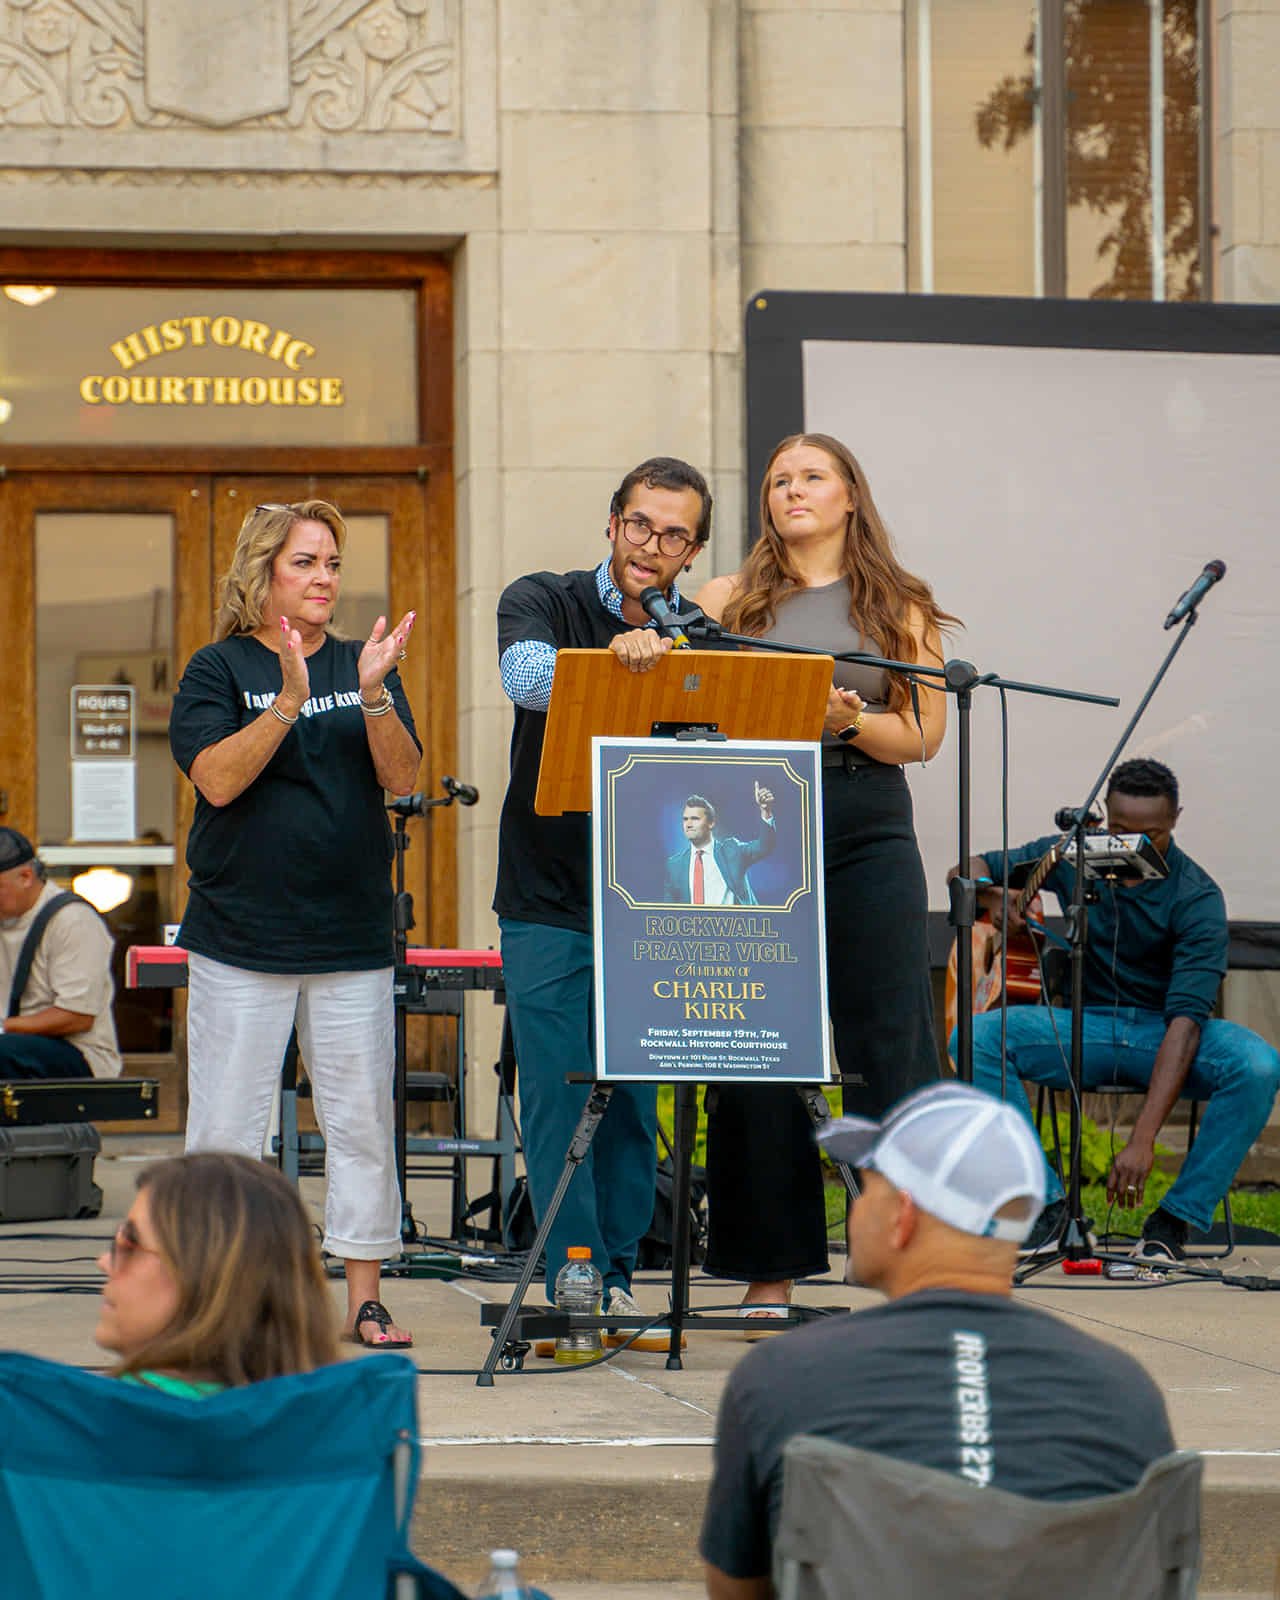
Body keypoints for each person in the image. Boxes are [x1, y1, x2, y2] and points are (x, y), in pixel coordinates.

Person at [700, 1082, 1177, 1598]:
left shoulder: (780, 1380)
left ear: (903, 1217)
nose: (856, 1208)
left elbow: (736, 1588)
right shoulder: (1125, 1395)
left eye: (868, 1186)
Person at [693, 433, 955, 1326]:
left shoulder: (898, 603)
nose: (792, 491)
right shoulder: (726, 599)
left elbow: (921, 737)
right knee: (761, 1041)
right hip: (761, 819)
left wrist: (845, 722)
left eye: (811, 477)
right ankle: (770, 1276)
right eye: (778, 481)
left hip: (864, 821)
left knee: (891, 1039)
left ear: (850, 495)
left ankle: (906, 1262)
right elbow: (689, 710)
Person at [169, 498, 421, 1349]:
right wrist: (285, 701)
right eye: (305, 561)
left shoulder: (364, 662)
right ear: (264, 571)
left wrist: (377, 695)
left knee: (358, 1124)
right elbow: (216, 782)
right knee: (230, 1127)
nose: (323, 578)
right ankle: (216, 1300)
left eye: (332, 563)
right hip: (242, 936)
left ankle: (364, 1296)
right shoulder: (218, 668)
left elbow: (402, 774)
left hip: (349, 937)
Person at [496, 456, 713, 1344]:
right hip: (545, 896)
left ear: (692, 551)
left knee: (632, 1095)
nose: (650, 547)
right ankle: (574, 1270)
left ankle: (623, 1269)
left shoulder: (701, 629)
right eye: (639, 525)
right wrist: (622, 664)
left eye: (673, 535)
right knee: (557, 1087)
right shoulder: (542, 598)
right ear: (611, 524)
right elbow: (526, 680)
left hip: (653, 898)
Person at [950, 757, 1280, 1262]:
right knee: (973, 1039)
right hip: (1088, 1027)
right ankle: (1047, 1210)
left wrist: (1142, 1140)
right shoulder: (1073, 856)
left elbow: (1188, 1024)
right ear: (1104, 817)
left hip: (1165, 1035)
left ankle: (1175, 1220)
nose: (1136, 846)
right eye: (1123, 831)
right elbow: (965, 869)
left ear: (1175, 820)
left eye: (1153, 835)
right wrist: (996, 896)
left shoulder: (1198, 897)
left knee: (1257, 1065)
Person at [96, 1151, 339, 1395]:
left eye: (128, 1245)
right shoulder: (334, 1416)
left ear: (202, 1275)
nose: (104, 1262)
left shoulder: (104, 1418)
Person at [0, 827, 122, 1081]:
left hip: (78, 1053)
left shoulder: (73, 920)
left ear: (25, 876)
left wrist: (3, 1027)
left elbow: (77, 1017)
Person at [663, 785, 776, 905]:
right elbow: (670, 910)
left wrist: (766, 811)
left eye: (695, 819)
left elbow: (765, 846)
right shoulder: (674, 865)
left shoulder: (732, 850)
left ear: (711, 823)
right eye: (685, 819)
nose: (688, 824)